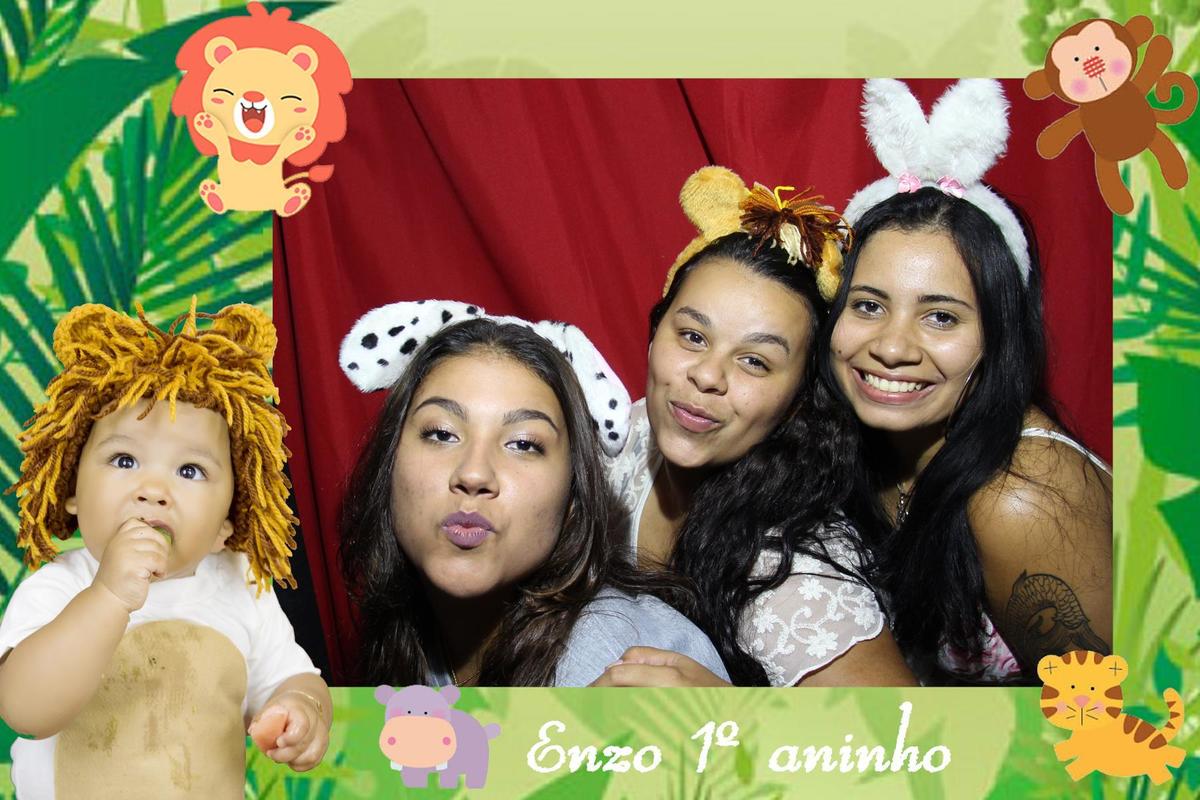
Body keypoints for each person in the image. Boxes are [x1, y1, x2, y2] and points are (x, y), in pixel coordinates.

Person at [822, 79, 1112, 684]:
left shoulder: (1021, 499)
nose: (892, 348)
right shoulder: (853, 443)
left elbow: (1110, 722)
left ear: (998, 336)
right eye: (868, 305)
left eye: (941, 317)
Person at [594, 167, 916, 687]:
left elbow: (910, 731)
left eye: (755, 362)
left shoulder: (792, 569)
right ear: (654, 336)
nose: (707, 376)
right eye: (693, 336)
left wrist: (733, 717)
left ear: (796, 403)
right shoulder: (621, 436)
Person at [0, 301, 331, 799]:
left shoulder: (242, 589)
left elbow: (294, 677)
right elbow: (25, 710)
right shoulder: (60, 588)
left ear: (227, 521)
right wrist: (108, 596)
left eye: (190, 471)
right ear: (72, 490)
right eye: (124, 459)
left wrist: (301, 710)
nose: (154, 490)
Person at [338, 316, 729, 687]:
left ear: (574, 497)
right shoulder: (412, 630)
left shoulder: (620, 657)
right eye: (442, 434)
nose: (473, 474)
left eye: (523, 444)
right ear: (389, 465)